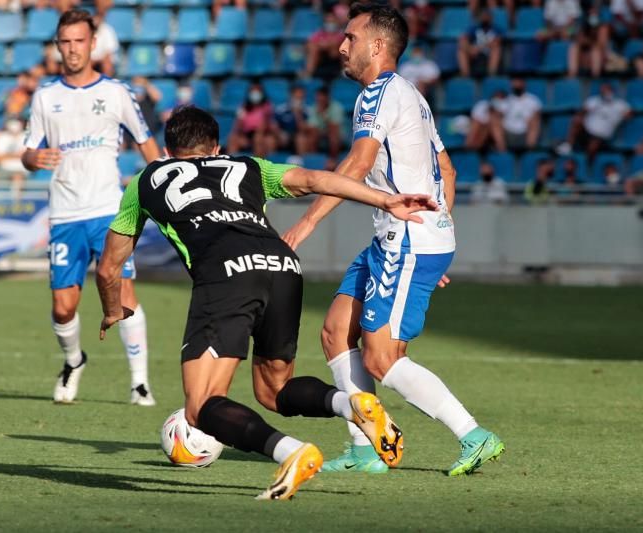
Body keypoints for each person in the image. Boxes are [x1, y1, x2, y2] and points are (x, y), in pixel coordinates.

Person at [96, 105, 438, 499]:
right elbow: (314, 179)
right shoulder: (248, 166)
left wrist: (111, 310)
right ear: (218, 146)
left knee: (202, 404)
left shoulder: (144, 180)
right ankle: (351, 403)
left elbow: (109, 269)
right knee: (274, 390)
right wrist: (384, 200)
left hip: (225, 270)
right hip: (282, 265)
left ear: (169, 151)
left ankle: (291, 452)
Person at [282, 3, 504, 475]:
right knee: (335, 331)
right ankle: (367, 448)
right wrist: (441, 232)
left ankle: (473, 434)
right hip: (399, 240)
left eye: (350, 38)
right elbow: (446, 168)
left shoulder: (379, 94)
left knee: (382, 358)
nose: (341, 47)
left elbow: (357, 164)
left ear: (378, 46)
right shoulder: (412, 94)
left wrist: (306, 223)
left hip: (406, 240)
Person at [21, 9, 161, 405]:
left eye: (79, 41)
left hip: (109, 211)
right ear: (57, 46)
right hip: (65, 213)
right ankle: (74, 360)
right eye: (65, 42)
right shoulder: (46, 97)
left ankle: (139, 382)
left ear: (92, 43)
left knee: (123, 293)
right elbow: (27, 151)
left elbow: (146, 142)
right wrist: (33, 159)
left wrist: (165, 181)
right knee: (64, 307)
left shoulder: (116, 92)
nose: (72, 49)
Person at [557, 83, 630, 159]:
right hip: (587, 131)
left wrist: (619, 117)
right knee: (577, 120)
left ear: (612, 91)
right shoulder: (594, 100)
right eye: (603, 90)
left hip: (602, 136)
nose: (605, 92)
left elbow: (629, 114)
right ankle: (568, 146)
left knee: (592, 148)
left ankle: (586, 165)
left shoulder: (619, 104)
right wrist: (586, 111)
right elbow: (582, 111)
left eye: (607, 90)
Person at [491, 77, 542, 152]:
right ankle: (502, 151)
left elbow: (537, 115)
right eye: (514, 82)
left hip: (525, 131)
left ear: (524, 83)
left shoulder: (533, 100)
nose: (517, 84)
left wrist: (530, 120)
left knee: (535, 122)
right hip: (508, 132)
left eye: (519, 82)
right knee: (494, 120)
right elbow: (499, 114)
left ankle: (529, 151)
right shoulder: (506, 99)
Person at [226, 82, 276, 157]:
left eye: (257, 91)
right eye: (252, 91)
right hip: (247, 135)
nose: (255, 93)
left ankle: (259, 163)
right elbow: (238, 125)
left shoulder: (267, 106)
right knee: (232, 138)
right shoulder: (244, 107)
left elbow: (267, 123)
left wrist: (260, 132)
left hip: (263, 134)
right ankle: (231, 162)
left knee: (259, 138)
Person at [300, 86, 344, 165]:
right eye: (318, 97)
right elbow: (312, 126)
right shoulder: (314, 107)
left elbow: (334, 128)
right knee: (311, 135)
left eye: (321, 97)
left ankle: (333, 161)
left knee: (333, 136)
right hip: (320, 132)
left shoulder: (337, 107)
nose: (319, 99)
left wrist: (322, 115)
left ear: (327, 97)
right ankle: (314, 160)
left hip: (337, 133)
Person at [568, 2, 609, 78]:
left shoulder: (603, 25)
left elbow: (601, 43)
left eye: (595, 10)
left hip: (599, 53)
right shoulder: (583, 23)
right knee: (574, 48)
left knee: (595, 51)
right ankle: (572, 75)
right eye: (591, 10)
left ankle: (595, 76)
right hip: (585, 52)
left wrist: (593, 34)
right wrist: (588, 40)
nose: (593, 12)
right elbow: (579, 40)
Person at [457, 9, 503, 76]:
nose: (485, 18)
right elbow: (463, 39)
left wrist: (479, 48)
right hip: (474, 52)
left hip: (488, 52)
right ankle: (465, 75)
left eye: (487, 16)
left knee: (496, 50)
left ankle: (491, 75)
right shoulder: (474, 28)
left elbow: (496, 42)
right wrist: (470, 48)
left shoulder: (496, 29)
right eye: (483, 16)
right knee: (461, 50)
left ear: (491, 18)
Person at [304, 10, 345, 78]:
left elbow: (338, 43)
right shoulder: (320, 33)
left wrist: (326, 44)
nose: (330, 24)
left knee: (337, 47)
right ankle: (309, 72)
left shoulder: (341, 33)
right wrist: (323, 45)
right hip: (321, 58)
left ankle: (344, 71)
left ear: (337, 22)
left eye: (332, 22)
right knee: (313, 47)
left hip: (335, 58)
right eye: (328, 22)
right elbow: (310, 43)